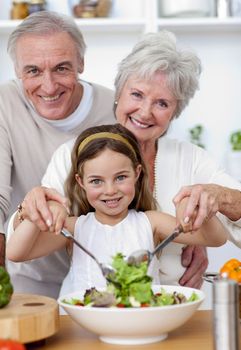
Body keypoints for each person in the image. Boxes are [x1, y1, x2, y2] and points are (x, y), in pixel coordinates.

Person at [17, 30, 241, 289]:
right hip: (91, 305)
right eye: (136, 95)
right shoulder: (75, 153)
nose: (145, 112)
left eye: (162, 103)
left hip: (173, 305)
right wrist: (32, 206)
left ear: (174, 112)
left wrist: (216, 199)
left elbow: (215, 235)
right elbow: (26, 239)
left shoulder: (190, 158)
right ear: (119, 92)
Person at [6, 124, 227, 297]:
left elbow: (216, 239)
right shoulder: (74, 227)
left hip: (143, 323)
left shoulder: (152, 222)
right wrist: (37, 212)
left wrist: (193, 205)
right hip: (84, 328)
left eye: (120, 177)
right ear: (80, 182)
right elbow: (16, 253)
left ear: (137, 173)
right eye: (96, 181)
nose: (110, 191)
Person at [0, 11, 115, 297]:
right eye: (33, 71)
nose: (49, 86)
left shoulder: (116, 108)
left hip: (105, 279)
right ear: (17, 70)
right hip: (29, 281)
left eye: (62, 68)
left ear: (81, 63)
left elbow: (150, 180)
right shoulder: (5, 103)